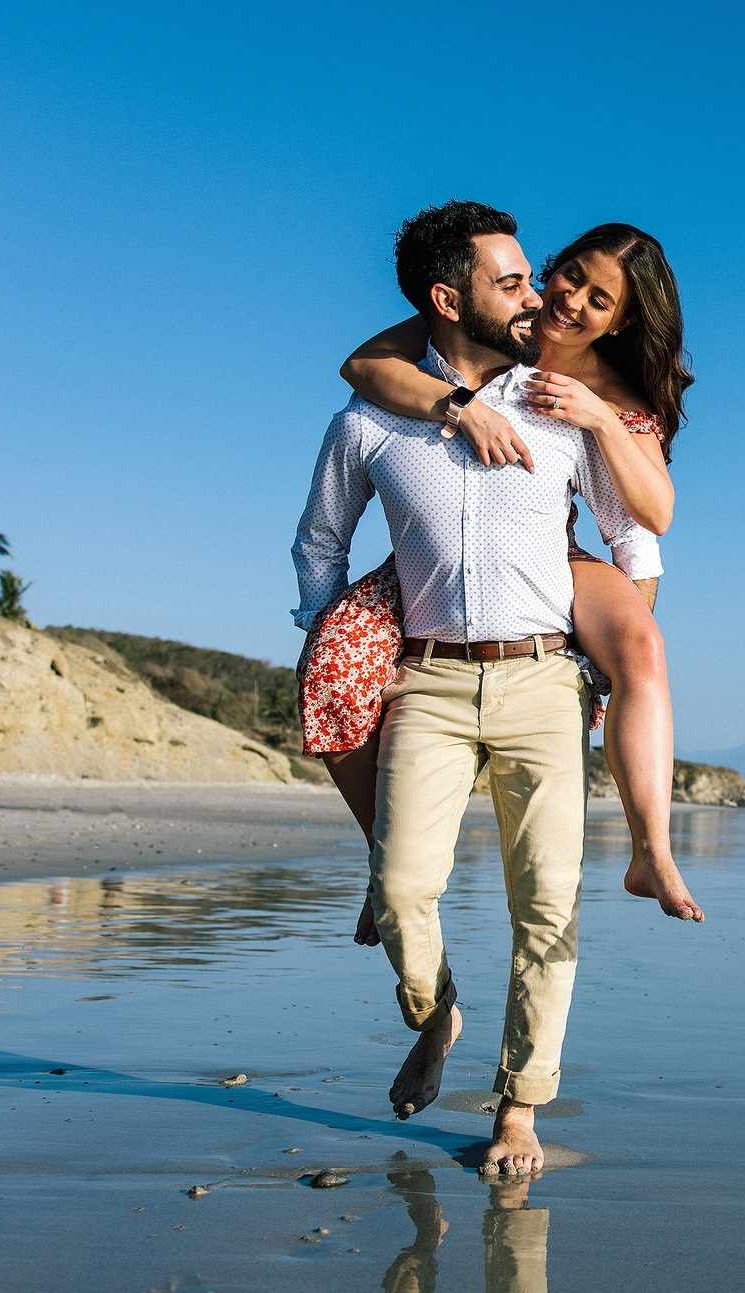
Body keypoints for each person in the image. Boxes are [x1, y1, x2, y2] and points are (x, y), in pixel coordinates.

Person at [292, 200, 661, 1173]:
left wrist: (619, 635)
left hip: (542, 683)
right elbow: (319, 541)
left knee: (546, 908)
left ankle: (518, 1110)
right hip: (428, 686)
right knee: (400, 889)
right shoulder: (372, 417)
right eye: (513, 281)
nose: (537, 295)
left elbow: (636, 528)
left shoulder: (559, 401)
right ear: (445, 300)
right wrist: (332, 625)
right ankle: (437, 1011)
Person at [301, 221, 703, 927]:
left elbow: (646, 527)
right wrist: (457, 406)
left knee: (642, 648)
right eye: (568, 274)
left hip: (553, 551)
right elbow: (363, 366)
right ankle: (385, 858)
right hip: (435, 551)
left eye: (598, 299)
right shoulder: (502, 317)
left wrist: (602, 421)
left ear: (622, 320)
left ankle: (652, 852)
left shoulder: (607, 387)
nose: (569, 300)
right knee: (328, 663)